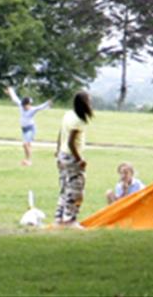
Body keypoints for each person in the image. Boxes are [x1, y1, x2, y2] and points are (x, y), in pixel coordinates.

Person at [55, 91, 93, 227]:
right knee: (76, 189)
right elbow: (71, 142)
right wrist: (80, 160)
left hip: (62, 155)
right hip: (72, 157)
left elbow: (60, 134)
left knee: (64, 187)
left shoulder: (68, 115)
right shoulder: (79, 120)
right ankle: (69, 219)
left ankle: (59, 218)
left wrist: (57, 150)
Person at [6, 86, 52, 166]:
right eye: (26, 105)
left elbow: (40, 107)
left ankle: (28, 161)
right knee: (27, 145)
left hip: (30, 129)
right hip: (24, 129)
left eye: (29, 104)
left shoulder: (32, 109)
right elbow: (15, 98)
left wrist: (47, 103)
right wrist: (10, 91)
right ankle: (27, 160)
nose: (28, 106)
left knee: (25, 144)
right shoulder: (21, 105)